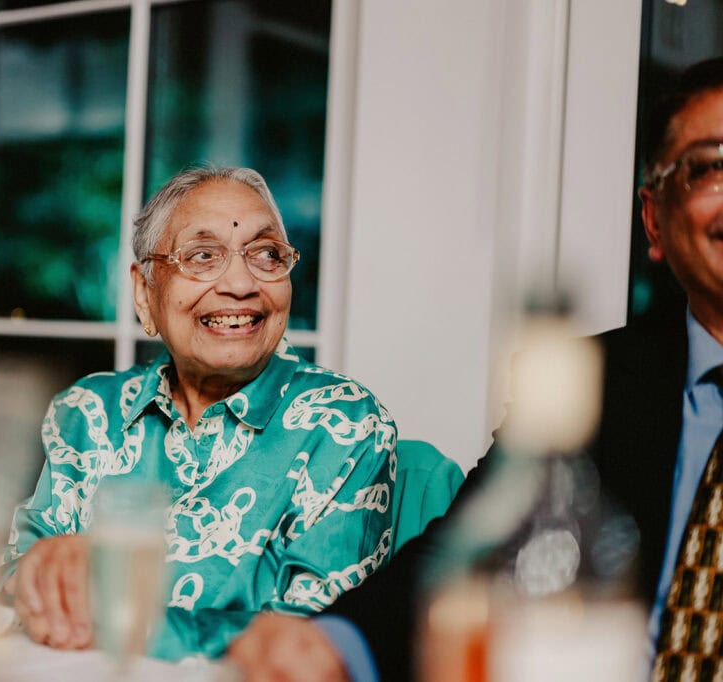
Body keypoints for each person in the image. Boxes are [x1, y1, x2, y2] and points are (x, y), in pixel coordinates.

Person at [227, 56, 723, 682]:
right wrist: (337, 643)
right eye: (713, 166)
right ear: (654, 220)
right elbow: (465, 554)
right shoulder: (587, 380)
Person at [0, 166, 398, 661]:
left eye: (266, 254)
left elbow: (306, 641)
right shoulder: (87, 413)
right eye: (203, 256)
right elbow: (14, 588)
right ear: (145, 293)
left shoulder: (341, 425)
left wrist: (120, 621)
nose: (240, 283)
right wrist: (39, 584)